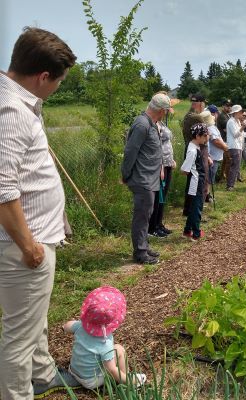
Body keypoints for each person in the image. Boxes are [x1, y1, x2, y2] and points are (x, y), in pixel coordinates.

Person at [0, 27, 80, 400]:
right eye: (59, 82)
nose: (57, 89)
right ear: (42, 76)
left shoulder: (21, 102)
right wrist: (30, 246)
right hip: (22, 247)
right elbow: (2, 191)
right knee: (19, 335)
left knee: (35, 321)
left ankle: (44, 374)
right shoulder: (11, 110)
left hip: (35, 238)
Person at [121, 93, 172, 264]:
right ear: (162, 111)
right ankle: (140, 253)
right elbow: (130, 152)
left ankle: (144, 245)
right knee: (142, 215)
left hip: (150, 178)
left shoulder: (152, 123)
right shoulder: (142, 124)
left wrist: (160, 169)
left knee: (147, 213)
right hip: (142, 179)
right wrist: (125, 174)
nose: (166, 114)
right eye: (166, 111)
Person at [63, 286, 146, 390]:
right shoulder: (104, 342)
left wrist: (66, 326)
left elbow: (67, 327)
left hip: (74, 371)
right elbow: (111, 369)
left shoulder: (80, 326)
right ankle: (128, 380)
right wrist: (129, 381)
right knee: (119, 349)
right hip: (91, 381)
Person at [148, 113, 176, 238]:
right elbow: (157, 146)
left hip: (167, 163)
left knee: (162, 196)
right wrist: (161, 167)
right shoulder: (153, 124)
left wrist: (172, 159)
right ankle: (152, 227)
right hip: (161, 165)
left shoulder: (162, 122)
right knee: (158, 196)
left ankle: (159, 224)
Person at [181, 123, 208, 240]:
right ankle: (196, 233)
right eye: (204, 136)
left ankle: (187, 230)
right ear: (198, 136)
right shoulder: (192, 151)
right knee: (197, 207)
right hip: (196, 183)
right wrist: (194, 171)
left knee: (193, 207)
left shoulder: (195, 146)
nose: (206, 138)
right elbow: (184, 169)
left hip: (198, 181)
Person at [182, 94, 207, 214]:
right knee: (195, 181)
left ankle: (188, 209)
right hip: (195, 150)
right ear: (200, 103)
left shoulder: (188, 115)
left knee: (191, 180)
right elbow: (206, 135)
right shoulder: (197, 117)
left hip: (189, 148)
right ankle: (191, 210)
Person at [200, 110, 227, 195]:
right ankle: (207, 194)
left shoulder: (210, 127)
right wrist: (225, 147)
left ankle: (207, 194)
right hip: (213, 157)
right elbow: (216, 141)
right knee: (209, 178)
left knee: (210, 177)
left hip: (213, 156)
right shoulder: (210, 128)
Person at [226, 105, 246, 191]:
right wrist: (243, 127)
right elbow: (235, 134)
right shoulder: (231, 122)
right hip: (234, 146)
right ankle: (230, 185)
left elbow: (240, 134)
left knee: (236, 166)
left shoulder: (237, 121)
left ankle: (231, 184)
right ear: (236, 113)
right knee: (234, 166)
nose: (242, 113)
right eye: (241, 112)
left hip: (238, 146)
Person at [216, 99, 232, 181]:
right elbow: (229, 126)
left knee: (226, 160)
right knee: (228, 159)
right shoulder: (222, 115)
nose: (229, 107)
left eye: (230, 105)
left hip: (226, 139)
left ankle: (222, 176)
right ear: (223, 106)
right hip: (223, 139)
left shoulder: (228, 115)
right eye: (227, 105)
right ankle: (227, 178)